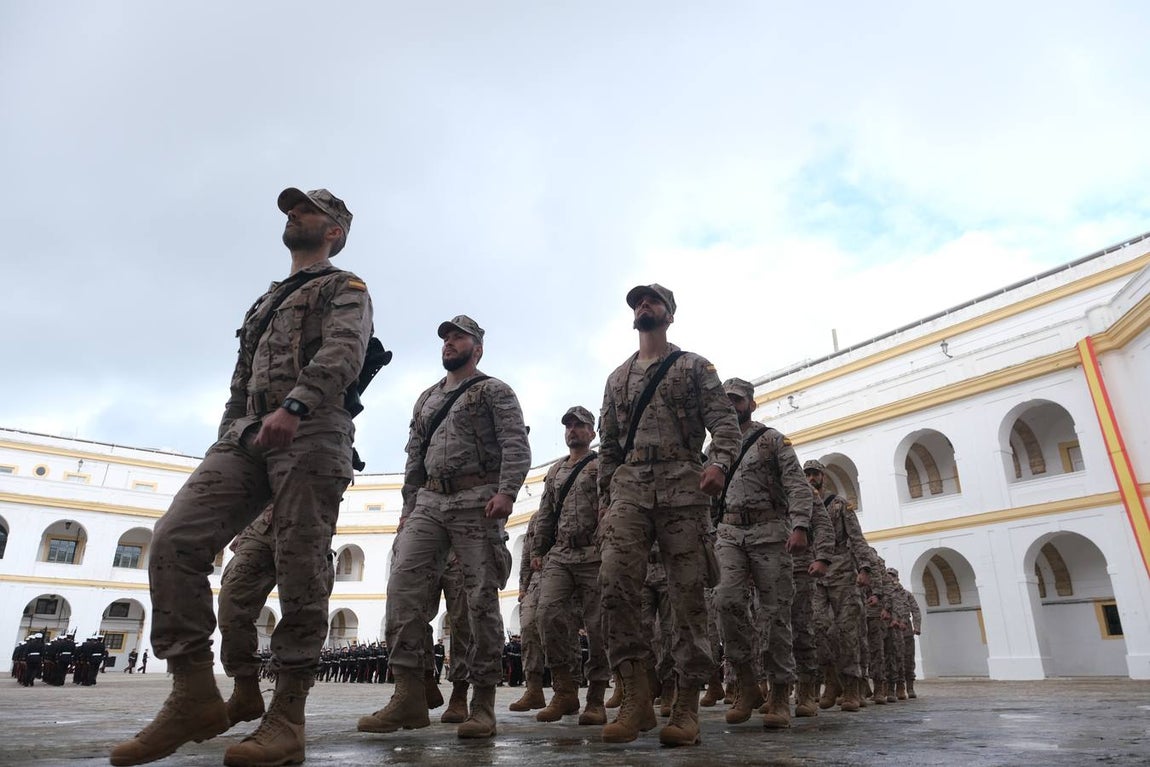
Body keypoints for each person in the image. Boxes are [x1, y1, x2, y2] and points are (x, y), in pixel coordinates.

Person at [110, 188, 372, 767]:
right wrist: (230, 435)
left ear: (334, 230)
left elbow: (344, 351)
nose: (292, 215)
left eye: (306, 210)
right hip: (248, 433)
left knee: (302, 565)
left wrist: (297, 406)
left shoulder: (344, 287)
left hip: (313, 428)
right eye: (289, 209)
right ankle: (194, 694)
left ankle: (287, 719)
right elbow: (239, 381)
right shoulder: (265, 301)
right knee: (175, 540)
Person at [358, 314, 529, 739]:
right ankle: (409, 695)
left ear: (478, 347)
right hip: (429, 503)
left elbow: (515, 443)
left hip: (477, 501)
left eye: (459, 337)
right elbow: (414, 456)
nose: (449, 343)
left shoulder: (494, 391)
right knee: (402, 591)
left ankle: (482, 703)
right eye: (446, 338)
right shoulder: (427, 399)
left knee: (479, 603)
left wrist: (507, 492)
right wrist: (406, 508)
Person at [597, 283, 741, 746]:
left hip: (683, 483)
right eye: (638, 302)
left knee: (687, 598)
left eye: (653, 301)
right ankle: (636, 696)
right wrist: (606, 499)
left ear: (669, 315)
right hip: (630, 488)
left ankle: (686, 704)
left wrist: (719, 462)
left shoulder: (695, 367)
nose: (644, 306)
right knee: (615, 587)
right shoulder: (617, 378)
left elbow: (724, 423)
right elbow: (610, 447)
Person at [709, 377, 813, 729]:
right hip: (728, 533)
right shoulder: (715, 449)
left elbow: (797, 484)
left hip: (769, 532)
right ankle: (748, 684)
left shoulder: (772, 440)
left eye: (737, 400)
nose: (731, 406)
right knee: (725, 603)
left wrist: (800, 525)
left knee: (774, 615)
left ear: (751, 404)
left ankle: (780, 693)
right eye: (726, 400)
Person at [531, 406, 609, 725]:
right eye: (569, 426)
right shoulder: (555, 471)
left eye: (580, 426)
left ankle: (596, 698)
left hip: (594, 553)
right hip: (561, 554)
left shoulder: (602, 465)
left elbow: (610, 504)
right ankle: (565, 692)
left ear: (592, 433)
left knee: (598, 626)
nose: (573, 430)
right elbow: (546, 512)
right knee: (547, 614)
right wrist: (539, 549)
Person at [804, 459, 872, 713]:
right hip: (815, 576)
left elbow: (857, 538)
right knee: (819, 629)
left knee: (847, 631)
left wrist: (864, 568)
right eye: (807, 474)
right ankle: (831, 682)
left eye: (815, 474)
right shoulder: (802, 509)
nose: (811, 478)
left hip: (843, 573)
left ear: (823, 477)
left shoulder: (839, 505)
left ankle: (852, 687)